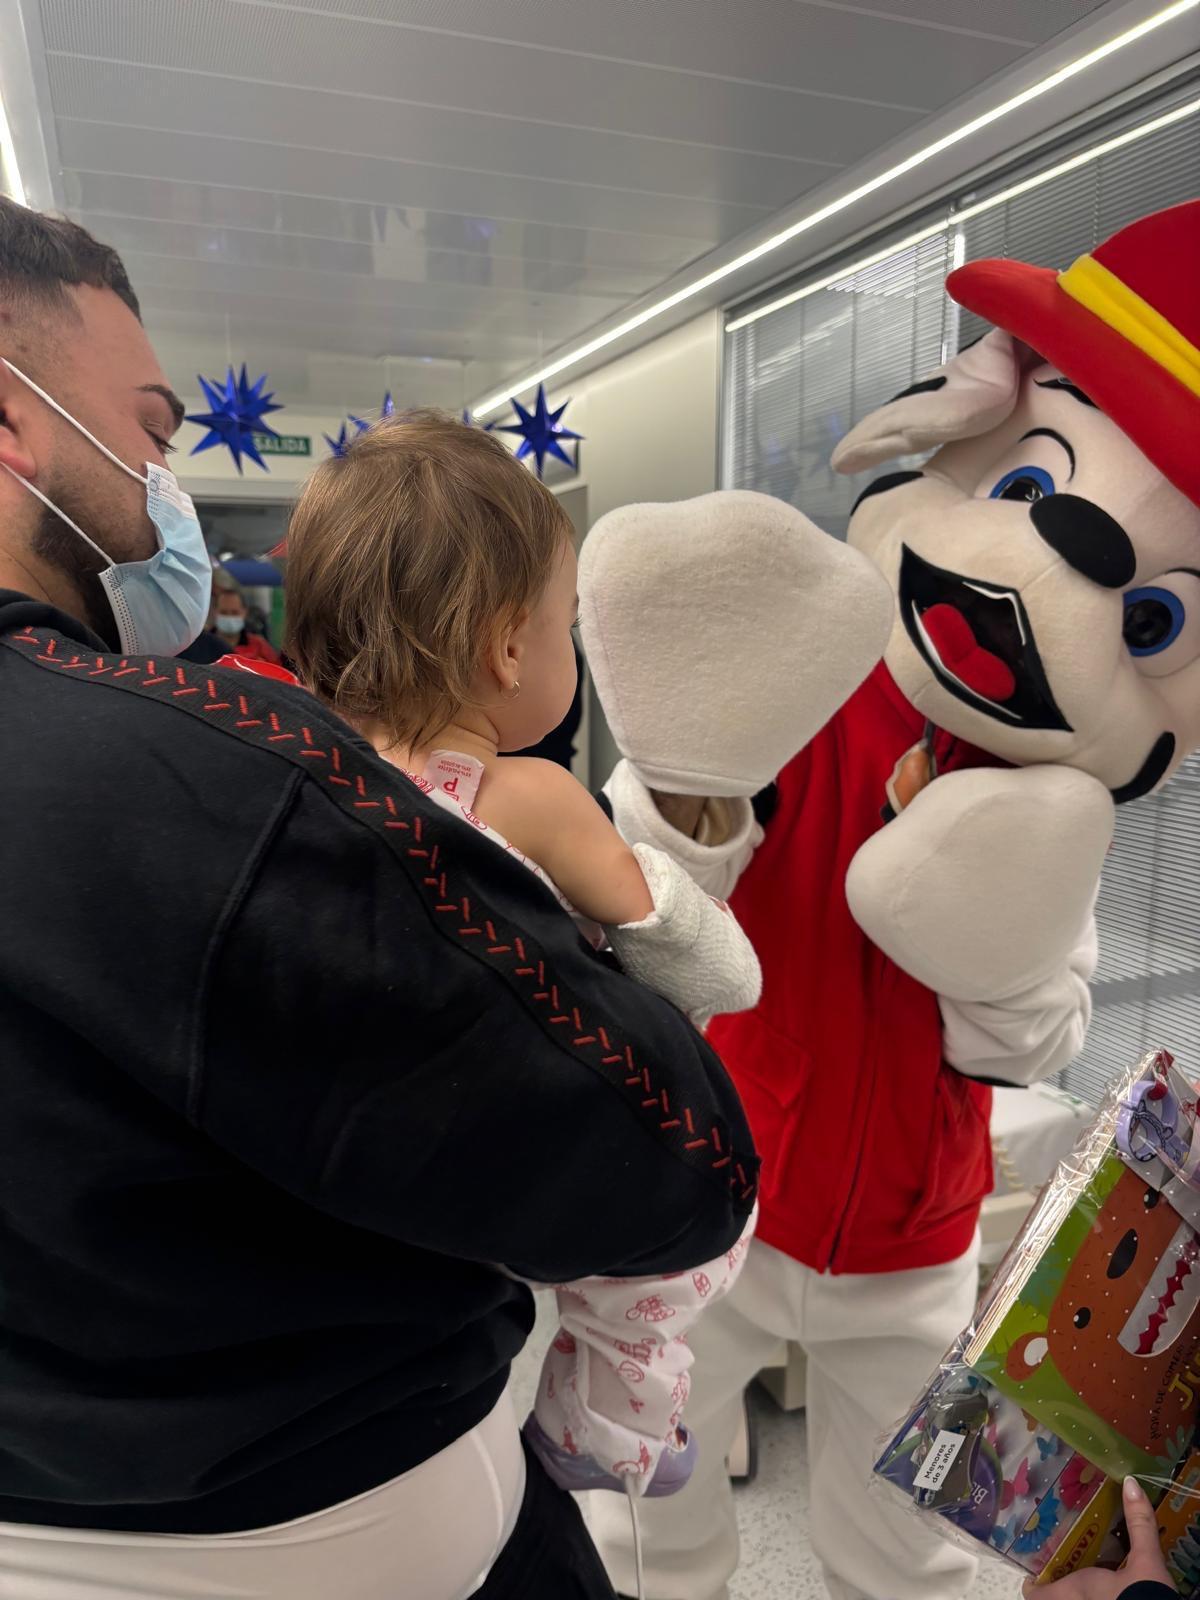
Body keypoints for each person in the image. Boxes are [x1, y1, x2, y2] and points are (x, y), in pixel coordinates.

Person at [0, 199, 757, 1599]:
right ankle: (626, 1427)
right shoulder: (222, 790)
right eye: (156, 432)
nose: (163, 481)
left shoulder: (296, 762)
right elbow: (672, 1151)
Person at [277, 411, 761, 1500]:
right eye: (567, 624)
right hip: (519, 1135)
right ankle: (607, 1422)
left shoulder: (300, 776)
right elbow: (709, 969)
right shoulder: (524, 793)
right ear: (507, 645)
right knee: (692, 1238)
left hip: (360, 1156)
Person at [210, 577, 281, 663]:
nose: (229, 617)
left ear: (244, 613)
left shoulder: (259, 646)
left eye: (235, 613)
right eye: (224, 612)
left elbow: (278, 672)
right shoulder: (202, 645)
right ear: (215, 612)